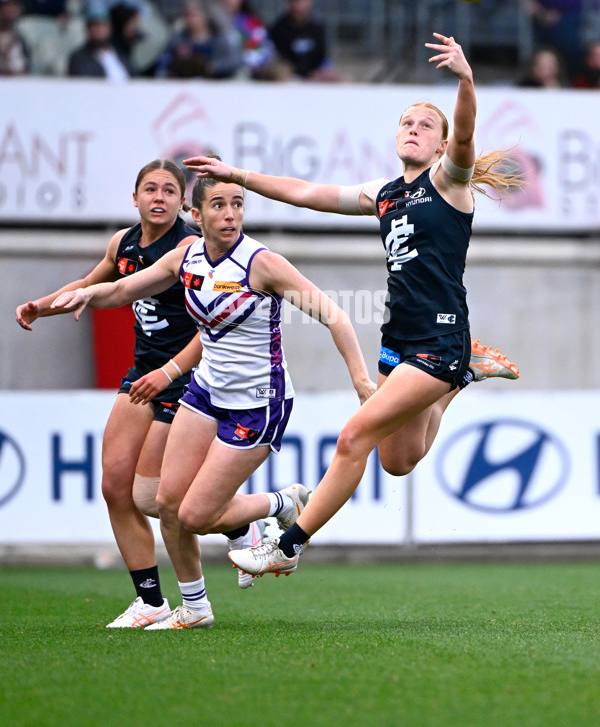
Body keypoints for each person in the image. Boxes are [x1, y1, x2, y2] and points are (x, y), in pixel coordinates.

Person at [183, 32, 523, 578]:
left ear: (439, 145)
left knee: (354, 436)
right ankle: (461, 379)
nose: (413, 129)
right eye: (406, 123)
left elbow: (465, 137)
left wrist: (465, 80)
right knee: (397, 461)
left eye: (424, 126)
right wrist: (239, 176)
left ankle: (287, 543)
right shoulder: (384, 194)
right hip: (399, 339)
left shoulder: (450, 181)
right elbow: (307, 192)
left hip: (438, 336)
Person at [49, 168, 376, 628]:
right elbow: (123, 288)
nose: (230, 214)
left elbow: (336, 316)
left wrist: (361, 381)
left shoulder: (262, 263)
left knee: (197, 514)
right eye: (219, 205)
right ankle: (194, 608)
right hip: (204, 392)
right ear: (195, 214)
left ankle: (280, 504)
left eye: (237, 204)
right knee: (165, 504)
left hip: (258, 402)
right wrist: (74, 298)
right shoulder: (187, 257)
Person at [15, 159, 221, 627]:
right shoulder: (123, 243)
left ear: (183, 202)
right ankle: (150, 602)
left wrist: (169, 373)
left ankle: (243, 523)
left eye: (170, 190)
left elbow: (210, 329)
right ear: (135, 198)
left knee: (160, 498)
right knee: (114, 486)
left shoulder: (189, 246)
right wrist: (40, 308)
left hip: (185, 379)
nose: (159, 197)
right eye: (151, 189)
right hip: (142, 375)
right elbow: (91, 287)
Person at [269, 0, 345, 81]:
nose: (298, 4)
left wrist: (325, 72)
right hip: (289, 79)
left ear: (309, 0)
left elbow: (323, 59)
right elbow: (279, 60)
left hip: (314, 78)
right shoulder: (278, 30)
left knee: (341, 79)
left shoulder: (316, 30)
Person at [155, 0, 242, 79]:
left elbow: (234, 61)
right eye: (187, 15)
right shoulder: (179, 39)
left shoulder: (218, 39)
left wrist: (212, 66)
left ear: (206, 16)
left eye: (194, 15)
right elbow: (162, 61)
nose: (190, 19)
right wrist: (177, 60)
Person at [67, 3, 133, 79]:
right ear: (88, 29)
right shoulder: (79, 58)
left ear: (110, 28)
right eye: (95, 25)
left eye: (103, 25)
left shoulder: (122, 55)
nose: (99, 29)